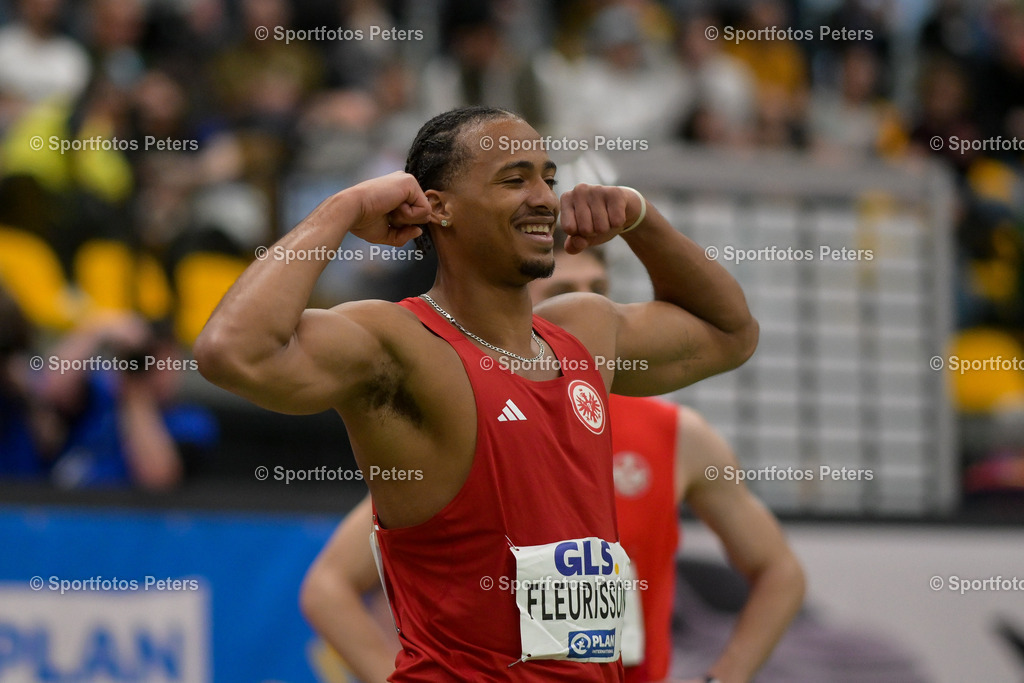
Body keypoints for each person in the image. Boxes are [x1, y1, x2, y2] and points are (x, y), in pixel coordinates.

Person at [195, 106, 758, 680]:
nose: (544, 198)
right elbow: (232, 351)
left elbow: (731, 334)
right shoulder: (401, 343)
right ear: (439, 206)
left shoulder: (585, 331)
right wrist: (343, 209)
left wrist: (643, 221)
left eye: (549, 178)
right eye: (514, 180)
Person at [300, 241, 804, 683]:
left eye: (598, 287)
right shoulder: (464, 430)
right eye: (563, 289)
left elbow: (779, 570)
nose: (587, 303)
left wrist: (723, 677)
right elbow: (329, 585)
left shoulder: (678, 436)